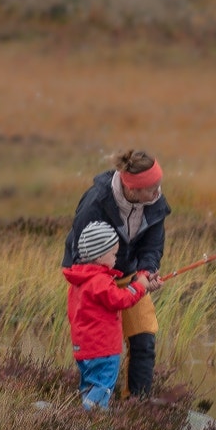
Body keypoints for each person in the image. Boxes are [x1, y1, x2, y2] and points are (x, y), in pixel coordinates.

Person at [62, 150, 170, 398]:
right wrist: (108, 284)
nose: (158, 192)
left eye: (158, 185)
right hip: (92, 280)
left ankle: (136, 407)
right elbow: (81, 253)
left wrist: (145, 274)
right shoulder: (95, 203)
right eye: (152, 188)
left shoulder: (155, 202)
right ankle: (94, 405)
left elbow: (153, 247)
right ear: (132, 190)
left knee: (144, 338)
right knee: (99, 347)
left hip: (130, 276)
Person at [64, 221, 162, 409]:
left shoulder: (79, 280)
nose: (116, 259)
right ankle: (93, 419)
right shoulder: (100, 281)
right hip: (103, 349)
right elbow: (121, 300)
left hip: (83, 348)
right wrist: (140, 286)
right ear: (99, 255)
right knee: (103, 387)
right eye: (113, 254)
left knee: (89, 385)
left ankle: (86, 416)